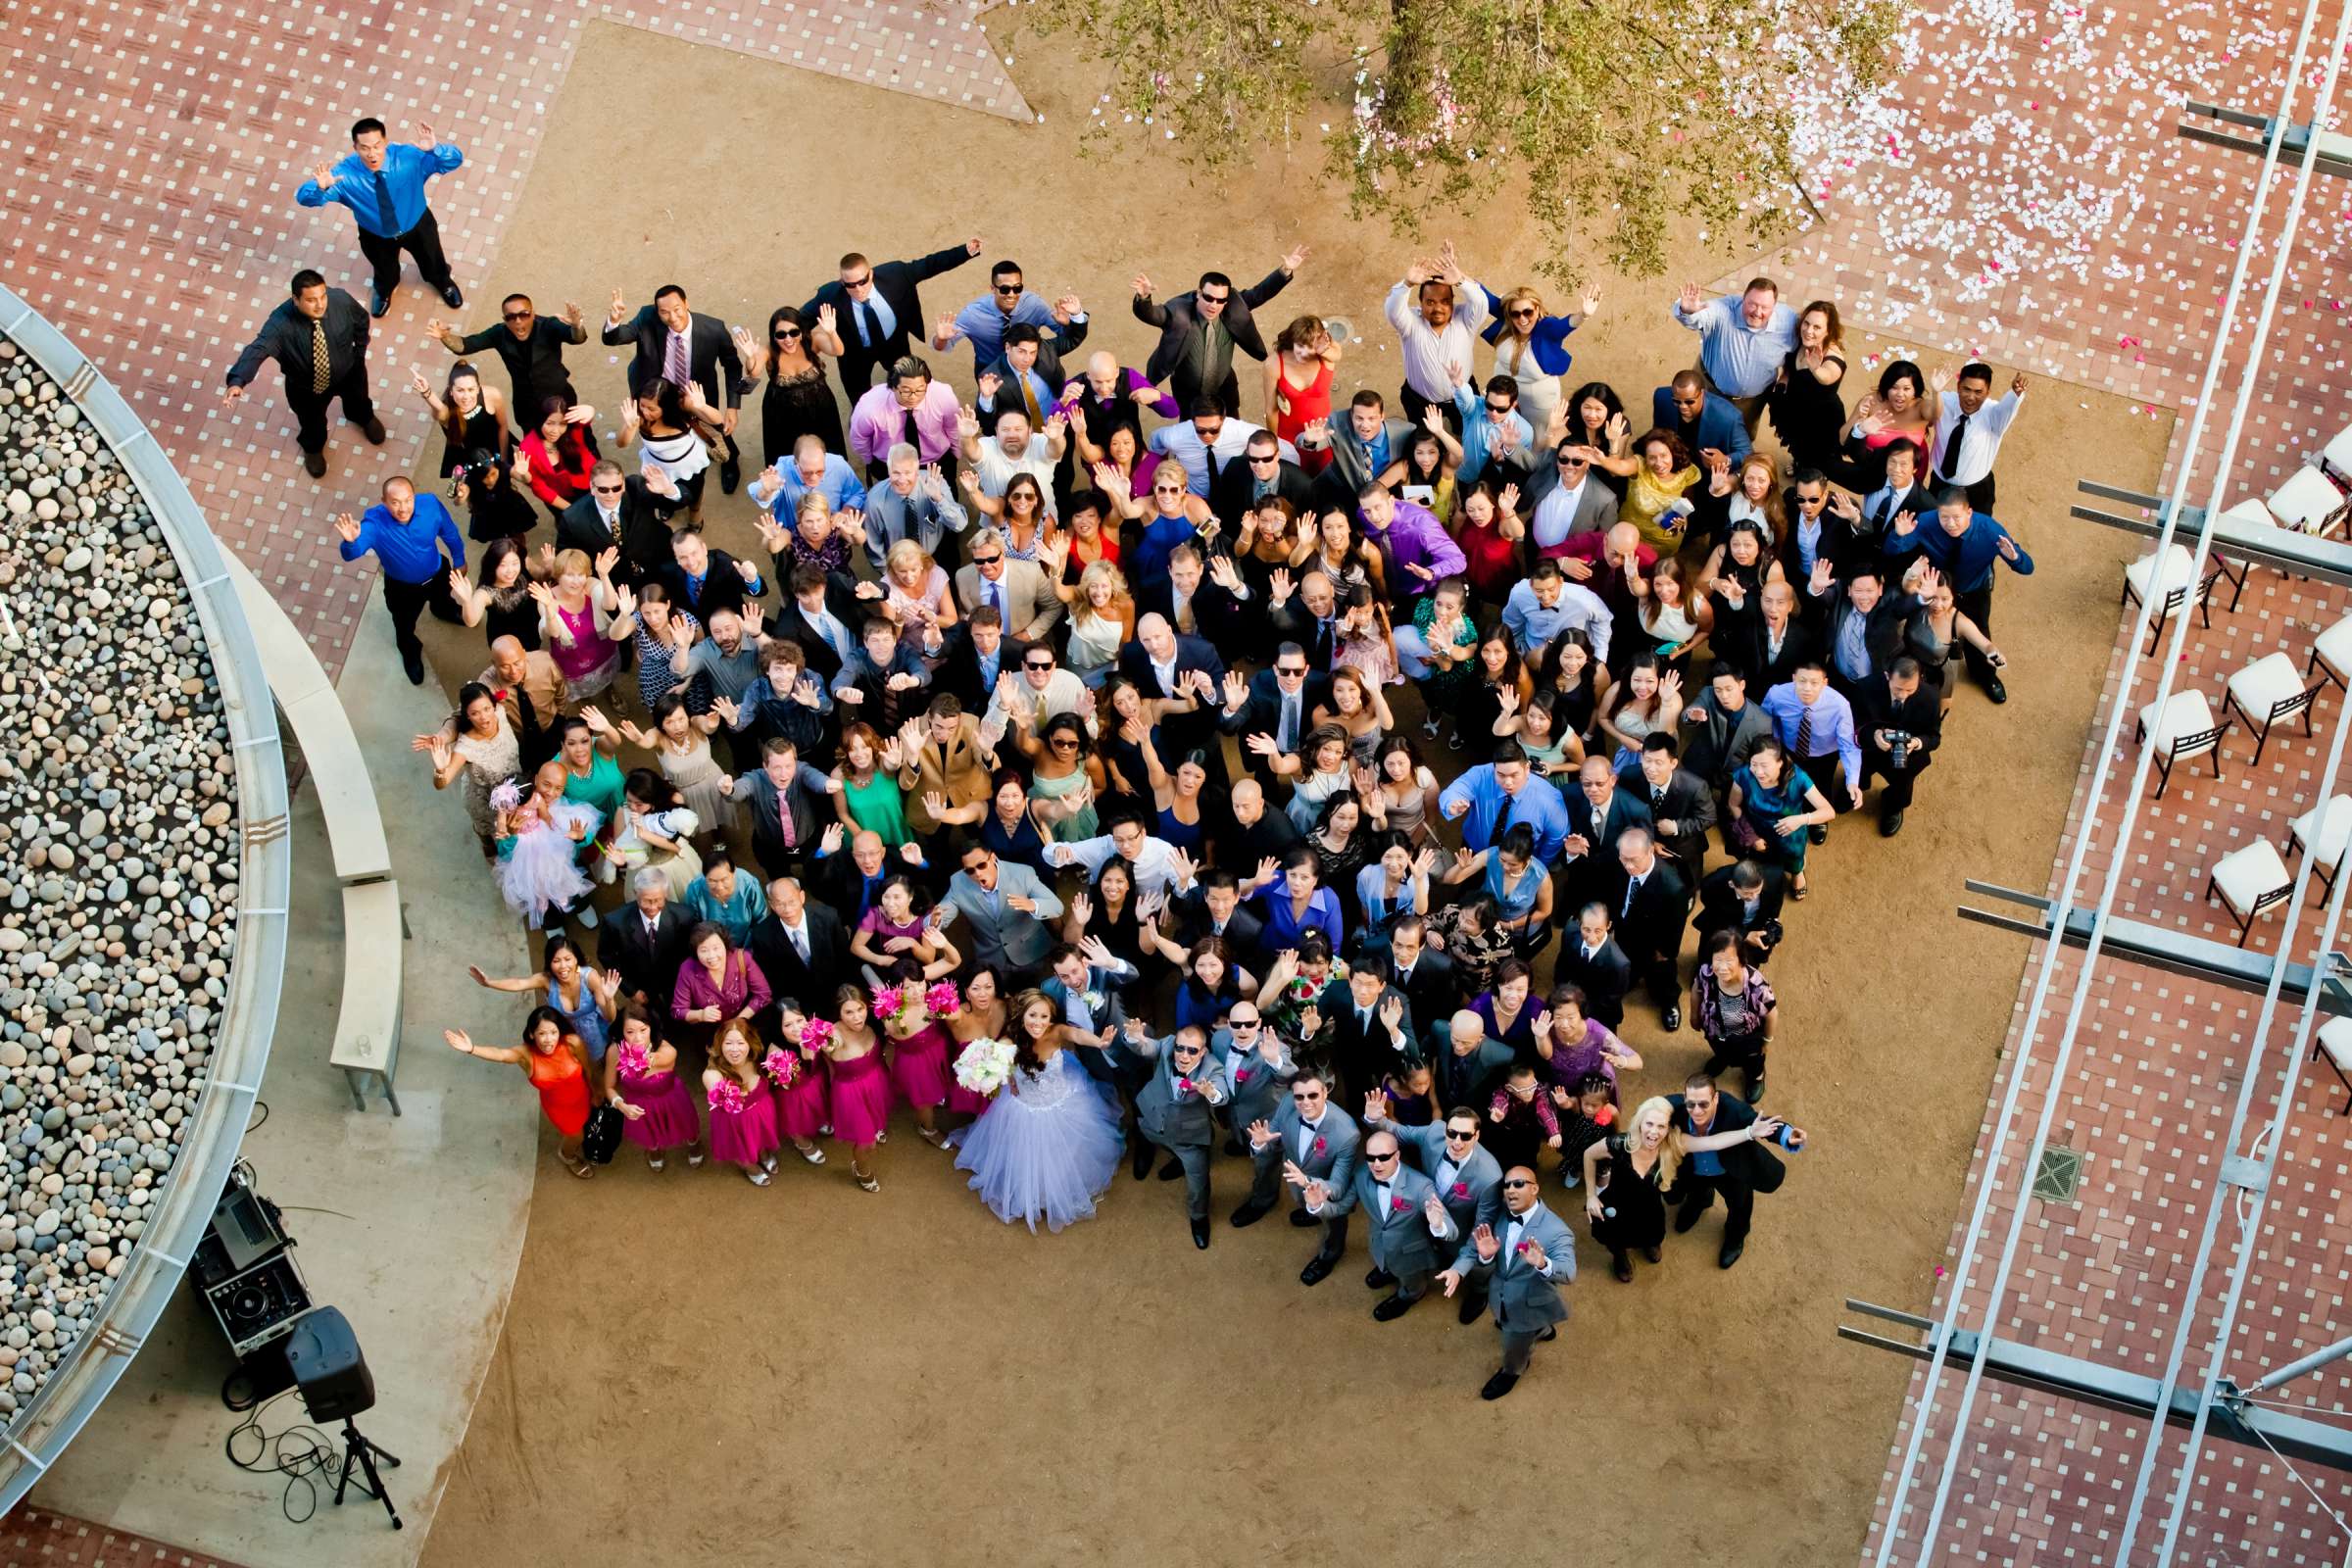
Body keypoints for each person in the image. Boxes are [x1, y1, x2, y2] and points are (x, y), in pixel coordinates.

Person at [954, 989, 1124, 1232]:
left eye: (1044, 1017)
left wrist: (1099, 1042)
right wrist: (989, 1066)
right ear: (1022, 1015)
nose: (1039, 1023)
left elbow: (1075, 1033)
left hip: (1062, 1103)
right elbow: (999, 1054)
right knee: (1026, 1155)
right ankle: (1035, 1193)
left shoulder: (1056, 1032)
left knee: (1065, 1153)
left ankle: (1059, 1189)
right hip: (1024, 1109)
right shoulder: (1010, 1040)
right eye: (1033, 1015)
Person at [295, 116, 465, 317]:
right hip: (375, 234)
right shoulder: (343, 175)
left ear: (385, 142)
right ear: (355, 147)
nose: (372, 154)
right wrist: (319, 187)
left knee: (432, 258)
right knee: (384, 270)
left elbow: (454, 161)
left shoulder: (409, 157)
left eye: (377, 146)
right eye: (365, 148)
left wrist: (435, 149)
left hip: (418, 223)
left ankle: (442, 281)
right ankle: (384, 291)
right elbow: (304, 199)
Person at [223, 269, 383, 479]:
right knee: (312, 423)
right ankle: (314, 448)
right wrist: (238, 381)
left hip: (349, 371)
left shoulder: (340, 301)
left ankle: (363, 417)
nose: (320, 304)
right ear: (295, 299)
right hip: (307, 388)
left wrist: (360, 352)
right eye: (311, 300)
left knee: (359, 399)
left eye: (322, 296)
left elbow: (361, 320)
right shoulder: (279, 324)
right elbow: (257, 349)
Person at [1438, 1164, 1575, 1399]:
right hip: (1500, 1291)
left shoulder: (1557, 1231)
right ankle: (1542, 1329)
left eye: (1519, 1184)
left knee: (1515, 1345)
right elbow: (1476, 1246)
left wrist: (1543, 1264)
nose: (1511, 1190)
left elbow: (1569, 1273)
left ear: (1535, 1189)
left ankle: (1512, 1371)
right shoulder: (1499, 1212)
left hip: (1528, 1303)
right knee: (1511, 1321)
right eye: (1507, 1185)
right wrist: (1481, 1258)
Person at [1886, 489, 2034, 704]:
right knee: (1926, 630)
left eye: (1957, 517)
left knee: (1979, 629)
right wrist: (1898, 536)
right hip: (1938, 589)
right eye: (1944, 517)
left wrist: (2015, 557)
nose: (1950, 523)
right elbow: (1892, 550)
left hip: (1974, 590)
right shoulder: (1926, 522)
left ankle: (1985, 676)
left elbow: (2028, 568)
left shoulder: (1990, 531)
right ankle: (1926, 673)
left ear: (1969, 512)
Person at [604, 284, 747, 494]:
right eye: (664, 312)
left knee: (716, 430)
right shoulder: (647, 317)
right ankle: (670, 487)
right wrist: (614, 321)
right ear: (656, 311)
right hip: (659, 394)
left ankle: (729, 461)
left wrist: (733, 407)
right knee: (661, 434)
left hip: (695, 394)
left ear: (686, 304)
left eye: (677, 309)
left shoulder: (713, 329)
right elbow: (616, 337)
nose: (672, 317)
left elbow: (732, 366)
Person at [1304, 1126, 1457, 1321]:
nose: (1376, 1164)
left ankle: (1409, 1296)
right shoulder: (1362, 1176)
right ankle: (1388, 1270)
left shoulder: (1421, 1187)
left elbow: (1451, 1230)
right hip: (1379, 1243)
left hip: (1410, 1254)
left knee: (1412, 1283)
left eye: (1384, 1157)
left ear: (1397, 1155)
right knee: (1387, 1264)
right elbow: (1342, 1207)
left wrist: (1438, 1225)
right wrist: (1318, 1206)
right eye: (1371, 1158)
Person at [805, 237, 985, 398]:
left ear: (871, 274)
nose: (858, 289)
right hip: (855, 353)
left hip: (894, 343)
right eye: (850, 285)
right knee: (857, 393)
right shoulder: (829, 295)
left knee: (909, 378)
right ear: (842, 282)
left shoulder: (896, 274)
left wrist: (965, 252)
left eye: (862, 281)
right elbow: (802, 318)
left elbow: (930, 265)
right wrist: (781, 337)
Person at [1132, 250, 1303, 414]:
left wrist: (1285, 270)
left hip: (1224, 387)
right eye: (1208, 298)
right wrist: (1144, 298)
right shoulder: (1178, 311)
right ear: (1199, 293)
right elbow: (1153, 315)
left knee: (1232, 432)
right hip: (1188, 391)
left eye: (1221, 300)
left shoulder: (1235, 305)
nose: (1213, 305)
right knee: (1192, 435)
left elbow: (1260, 293)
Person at [332, 477, 465, 685]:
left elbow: (449, 532)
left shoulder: (430, 504)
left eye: (408, 500)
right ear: (384, 501)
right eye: (395, 502)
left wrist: (459, 558)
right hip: (403, 589)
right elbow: (352, 553)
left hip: (437, 572)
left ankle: (444, 610)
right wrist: (349, 542)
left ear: (414, 497)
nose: (403, 508)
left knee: (443, 598)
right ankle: (410, 652)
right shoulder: (374, 523)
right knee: (403, 624)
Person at [1235, 1069, 1359, 1287]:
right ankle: (1309, 1212)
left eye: (1313, 1095)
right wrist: (1260, 1142)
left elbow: (1339, 1186)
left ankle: (1329, 1256)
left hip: (1325, 1189)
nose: (1305, 1102)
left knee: (1334, 1225)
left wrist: (1309, 1183)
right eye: (1299, 1096)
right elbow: (1272, 1136)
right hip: (1296, 1177)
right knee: (1303, 1201)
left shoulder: (1347, 1133)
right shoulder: (1286, 1104)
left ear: (1325, 1092)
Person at [1667, 1072, 1796, 1270]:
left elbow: (1760, 1123)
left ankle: (1736, 1237)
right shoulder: (1674, 1108)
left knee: (1740, 1206)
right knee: (1696, 1191)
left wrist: (1787, 1135)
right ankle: (1700, 1202)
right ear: (1684, 1099)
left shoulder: (1732, 1109)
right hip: (1695, 1170)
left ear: (1716, 1098)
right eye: (1691, 1104)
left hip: (1731, 1171)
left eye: (1704, 1104)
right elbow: (1652, 1111)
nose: (1696, 1111)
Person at [446, 1009, 598, 1177]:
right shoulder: (525, 1055)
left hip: (583, 1096)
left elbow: (587, 1068)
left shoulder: (572, 1042)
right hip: (559, 1108)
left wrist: (596, 1091)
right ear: (532, 1034)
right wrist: (472, 1049)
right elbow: (501, 1054)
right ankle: (567, 1156)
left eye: (553, 1032)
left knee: (588, 1121)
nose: (549, 1040)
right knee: (576, 1137)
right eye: (542, 1033)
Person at [1126, 1022, 1229, 1249]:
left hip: (1190, 1137)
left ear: (1203, 1052)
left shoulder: (1213, 1068)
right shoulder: (1167, 1045)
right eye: (1180, 1048)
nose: (1184, 1055)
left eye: (1192, 1050)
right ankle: (1177, 1161)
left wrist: (1211, 1092)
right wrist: (1135, 1038)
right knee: (1159, 1141)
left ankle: (1199, 1218)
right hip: (1155, 1119)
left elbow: (1221, 1094)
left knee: (1197, 1185)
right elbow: (1147, 1047)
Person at [465, 934, 616, 1064]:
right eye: (556, 961)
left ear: (576, 959)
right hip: (565, 1032)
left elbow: (610, 1017)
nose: (563, 966)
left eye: (567, 959)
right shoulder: (546, 980)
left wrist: (609, 1000)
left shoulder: (590, 977)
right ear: (549, 963)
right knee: (575, 1062)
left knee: (599, 1059)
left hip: (595, 1031)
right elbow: (519, 983)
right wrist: (489, 983)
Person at [1384, 247, 1491, 430]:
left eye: (1444, 301)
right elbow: (1392, 311)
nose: (1438, 308)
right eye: (1430, 302)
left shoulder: (1465, 319)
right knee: (1424, 447)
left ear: (1452, 301)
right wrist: (1407, 284)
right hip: (1420, 400)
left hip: (1463, 396)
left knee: (1469, 435)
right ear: (1421, 303)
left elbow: (1481, 302)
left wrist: (1460, 281)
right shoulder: (1410, 322)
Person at [425, 294, 587, 416]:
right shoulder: (499, 333)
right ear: (505, 319)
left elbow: (577, 338)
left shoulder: (548, 325)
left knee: (576, 434)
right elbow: (465, 346)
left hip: (559, 392)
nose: (517, 321)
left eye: (523, 314)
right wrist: (445, 336)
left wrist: (576, 325)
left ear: (533, 313)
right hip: (526, 402)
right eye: (511, 317)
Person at [1669, 276, 1797, 425]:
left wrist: (1787, 373)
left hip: (1751, 402)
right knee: (1696, 426)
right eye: (1752, 304)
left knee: (1741, 436)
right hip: (1710, 390)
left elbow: (1799, 350)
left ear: (1774, 307)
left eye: (1765, 307)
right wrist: (1688, 311)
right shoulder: (1724, 309)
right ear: (1743, 299)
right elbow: (1700, 317)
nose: (1757, 312)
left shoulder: (1788, 322)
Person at [416, 681, 520, 858]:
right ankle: (487, 845)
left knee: (515, 827)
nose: (484, 717)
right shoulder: (465, 747)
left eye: (487, 709)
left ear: (494, 706)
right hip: (484, 799)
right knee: (487, 830)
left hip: (514, 786)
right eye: (475, 713)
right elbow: (442, 783)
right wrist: (441, 769)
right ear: (467, 716)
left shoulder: (500, 714)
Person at [1581, 1096, 1679, 1283]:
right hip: (1618, 1205)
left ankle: (1650, 1243)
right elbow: (1589, 1155)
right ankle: (1620, 1256)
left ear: (1668, 1129)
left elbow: (1710, 1142)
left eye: (1661, 1126)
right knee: (1616, 1238)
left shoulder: (1669, 1148)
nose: (1654, 1132)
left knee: (1653, 1233)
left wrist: (1748, 1132)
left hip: (1650, 1208)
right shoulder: (1620, 1144)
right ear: (1640, 1123)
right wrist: (1591, 1195)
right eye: (1649, 1123)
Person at [1727, 736, 1835, 899]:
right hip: (1757, 828)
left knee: (1794, 854)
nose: (1758, 771)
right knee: (1759, 860)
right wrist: (1751, 836)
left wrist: (1801, 819)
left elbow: (1828, 812)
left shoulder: (1798, 778)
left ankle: (1797, 873)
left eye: (1764, 765)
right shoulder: (1743, 775)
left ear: (1780, 762)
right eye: (1754, 764)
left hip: (1791, 831)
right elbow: (1734, 805)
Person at [1604, 826, 1689, 1031]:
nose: (1629, 865)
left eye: (1634, 860)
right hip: (1625, 929)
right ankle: (1629, 979)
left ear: (1650, 851)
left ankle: (1669, 1002)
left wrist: (1665, 952)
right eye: (1624, 858)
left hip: (1654, 940)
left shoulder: (1672, 886)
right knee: (1625, 965)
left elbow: (1675, 926)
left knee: (1662, 975)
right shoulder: (1620, 863)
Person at [602, 1004, 704, 1172]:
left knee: (687, 1128)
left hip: (671, 1098)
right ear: (622, 1032)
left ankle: (694, 1145)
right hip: (639, 1104)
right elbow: (609, 1087)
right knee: (650, 1137)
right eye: (630, 1032)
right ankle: (655, 1151)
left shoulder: (667, 1049)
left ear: (651, 1027)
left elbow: (660, 1058)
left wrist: (641, 1058)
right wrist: (621, 1105)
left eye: (643, 1029)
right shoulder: (614, 1051)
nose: (638, 1038)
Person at [744, 306, 847, 461]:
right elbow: (754, 372)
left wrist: (832, 333)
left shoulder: (813, 340)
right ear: (773, 336)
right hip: (782, 413)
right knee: (788, 456)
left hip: (820, 407)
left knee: (827, 451)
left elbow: (838, 351)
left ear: (801, 330)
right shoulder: (769, 350)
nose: (788, 339)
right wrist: (750, 357)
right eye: (781, 334)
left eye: (793, 332)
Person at [1691, 929, 1779, 1103]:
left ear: (1741, 959)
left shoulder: (1756, 985)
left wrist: (1767, 1042)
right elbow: (1696, 990)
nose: (1722, 968)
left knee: (1752, 1059)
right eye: (1718, 960)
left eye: (1729, 960)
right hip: (1716, 1029)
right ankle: (1722, 1059)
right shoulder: (1706, 972)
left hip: (1748, 1037)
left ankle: (1756, 1076)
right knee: (1719, 1047)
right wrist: (1694, 1015)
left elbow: (1772, 1013)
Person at [818, 987, 891, 1192]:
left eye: (860, 1009)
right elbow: (829, 1045)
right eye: (848, 1012)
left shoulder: (873, 1022)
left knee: (877, 1120)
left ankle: (876, 1129)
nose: (857, 1017)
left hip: (876, 1083)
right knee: (867, 1144)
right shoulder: (833, 1034)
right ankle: (862, 1172)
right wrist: (823, 1041)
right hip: (851, 1095)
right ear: (838, 1014)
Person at [1765, 299, 1848, 474]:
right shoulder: (1800, 341)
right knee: (1797, 447)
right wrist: (1782, 384)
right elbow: (1789, 368)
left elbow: (1827, 377)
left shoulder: (1833, 359)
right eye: (1806, 323)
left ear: (1829, 331)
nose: (1809, 331)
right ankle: (1798, 463)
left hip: (1820, 421)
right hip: (1796, 409)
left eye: (1817, 327)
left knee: (1815, 459)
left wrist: (1816, 369)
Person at [1930, 363, 2027, 513]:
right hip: (1939, 485)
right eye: (1966, 389)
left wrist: (2015, 394)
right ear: (1958, 387)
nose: (1970, 397)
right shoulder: (1944, 401)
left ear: (1988, 392)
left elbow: (2007, 409)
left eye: (1978, 392)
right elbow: (1928, 416)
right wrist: (1935, 392)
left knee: (1977, 533)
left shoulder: (1994, 413)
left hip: (1977, 491)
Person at [703, 1017, 784, 1186]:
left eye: (740, 1043)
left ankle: (763, 1154)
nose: (734, 1050)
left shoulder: (757, 1058)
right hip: (735, 1122)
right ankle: (751, 1168)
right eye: (728, 1043)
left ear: (750, 1042)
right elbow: (720, 1094)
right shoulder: (712, 1074)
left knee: (761, 1139)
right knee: (742, 1149)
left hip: (761, 1112)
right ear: (720, 1044)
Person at [670, 920, 772, 1054]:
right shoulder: (687, 968)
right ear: (695, 951)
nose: (711, 956)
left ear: (725, 945)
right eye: (704, 950)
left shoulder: (742, 958)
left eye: (716, 948)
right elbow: (678, 1010)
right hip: (711, 1032)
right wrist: (701, 1014)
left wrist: (740, 1020)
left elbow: (763, 994)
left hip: (745, 1023)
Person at [1556, 903, 1635, 1031]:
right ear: (1579, 923)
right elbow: (1562, 964)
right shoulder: (1570, 930)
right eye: (1586, 929)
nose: (1591, 938)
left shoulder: (1619, 964)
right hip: (1572, 995)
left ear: (1608, 926)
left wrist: (1579, 1011)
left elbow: (1610, 999)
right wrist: (1561, 990)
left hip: (1600, 1012)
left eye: (1598, 931)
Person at [1652, 368, 1752, 466]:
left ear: (1702, 394)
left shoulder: (1729, 417)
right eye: (1677, 401)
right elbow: (1657, 433)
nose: (1683, 407)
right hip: (1669, 467)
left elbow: (1747, 453)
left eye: (1689, 401)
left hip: (1708, 475)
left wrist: (1725, 460)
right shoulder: (1662, 398)